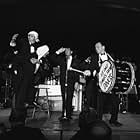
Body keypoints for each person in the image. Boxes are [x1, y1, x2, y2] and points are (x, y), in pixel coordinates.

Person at [9, 30, 49, 127]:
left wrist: (37, 61)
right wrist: (13, 39)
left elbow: (35, 59)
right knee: (19, 94)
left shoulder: (36, 49)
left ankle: (21, 114)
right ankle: (16, 117)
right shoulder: (24, 42)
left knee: (24, 96)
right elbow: (16, 49)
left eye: (31, 36)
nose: (29, 37)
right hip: (21, 73)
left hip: (29, 76)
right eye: (29, 35)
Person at [85, 42, 122, 127]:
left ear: (103, 47)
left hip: (111, 83)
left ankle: (114, 120)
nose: (96, 49)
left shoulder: (111, 55)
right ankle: (99, 121)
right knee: (100, 104)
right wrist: (91, 72)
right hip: (101, 84)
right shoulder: (94, 57)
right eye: (95, 47)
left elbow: (115, 67)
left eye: (98, 47)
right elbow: (92, 68)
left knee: (115, 102)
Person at [50, 47, 90, 121]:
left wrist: (77, 82)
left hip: (71, 82)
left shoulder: (76, 61)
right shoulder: (62, 59)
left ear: (71, 52)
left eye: (68, 50)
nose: (66, 51)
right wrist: (58, 52)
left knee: (69, 98)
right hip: (63, 82)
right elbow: (52, 58)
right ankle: (63, 115)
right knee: (64, 98)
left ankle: (68, 115)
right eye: (65, 50)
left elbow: (79, 70)